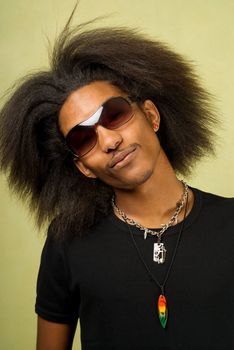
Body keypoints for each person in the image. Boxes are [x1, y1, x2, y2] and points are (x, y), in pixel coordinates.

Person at [0, 19, 234, 350]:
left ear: (152, 116)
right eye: (84, 138)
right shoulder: (67, 243)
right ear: (84, 168)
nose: (109, 140)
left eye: (114, 114)